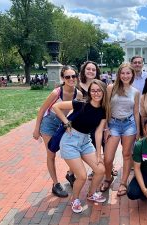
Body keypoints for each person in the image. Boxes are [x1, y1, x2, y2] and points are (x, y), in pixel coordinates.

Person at [52, 79, 108, 213]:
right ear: (89, 92)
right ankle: (75, 199)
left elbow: (99, 132)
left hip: (85, 141)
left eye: (99, 90)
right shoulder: (81, 104)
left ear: (103, 92)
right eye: (93, 90)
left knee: (100, 170)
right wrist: (66, 122)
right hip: (70, 141)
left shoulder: (104, 110)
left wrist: (99, 154)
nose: (96, 93)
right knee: (82, 176)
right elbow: (56, 107)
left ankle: (91, 194)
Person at [33, 65, 83, 198]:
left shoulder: (78, 94)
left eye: (73, 76)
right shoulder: (56, 92)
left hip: (63, 122)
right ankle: (55, 184)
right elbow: (42, 110)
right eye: (68, 76)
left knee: (72, 149)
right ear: (63, 78)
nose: (71, 79)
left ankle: (70, 174)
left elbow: (78, 112)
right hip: (49, 123)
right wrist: (36, 129)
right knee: (51, 154)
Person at [100, 63, 140, 196]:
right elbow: (106, 108)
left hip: (129, 125)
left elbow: (135, 112)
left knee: (127, 155)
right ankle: (108, 177)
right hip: (113, 125)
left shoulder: (135, 92)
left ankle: (123, 183)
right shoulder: (111, 88)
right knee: (108, 158)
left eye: (128, 73)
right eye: (122, 73)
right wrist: (106, 128)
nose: (125, 76)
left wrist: (138, 130)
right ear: (119, 74)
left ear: (132, 74)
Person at [77, 61, 118, 181]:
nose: (91, 71)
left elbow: (106, 105)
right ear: (84, 71)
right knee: (92, 146)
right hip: (86, 123)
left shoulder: (102, 85)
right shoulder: (79, 87)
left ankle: (109, 166)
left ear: (97, 72)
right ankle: (96, 167)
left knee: (105, 144)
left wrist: (107, 126)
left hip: (100, 120)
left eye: (93, 70)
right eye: (88, 69)